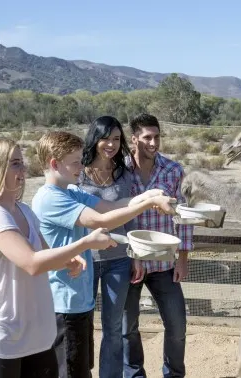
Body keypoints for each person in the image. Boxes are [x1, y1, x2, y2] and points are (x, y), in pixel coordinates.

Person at [0, 137, 116, 378]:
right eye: (14, 164)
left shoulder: (24, 210)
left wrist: (68, 260)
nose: (23, 170)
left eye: (22, 163)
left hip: (37, 339)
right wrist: (85, 243)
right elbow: (32, 263)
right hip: (1, 340)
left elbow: (44, 254)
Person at [31, 130, 176, 378]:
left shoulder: (71, 191)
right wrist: (148, 204)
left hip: (79, 300)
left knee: (81, 369)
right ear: (54, 164)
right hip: (63, 303)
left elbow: (110, 206)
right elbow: (101, 220)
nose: (81, 165)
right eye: (75, 162)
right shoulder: (51, 199)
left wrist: (149, 195)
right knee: (70, 371)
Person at [123, 113, 194, 378]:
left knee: (177, 326)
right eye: (147, 137)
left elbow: (184, 215)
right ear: (134, 139)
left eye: (157, 136)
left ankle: (173, 375)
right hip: (130, 263)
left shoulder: (173, 170)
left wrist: (183, 258)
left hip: (164, 262)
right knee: (127, 328)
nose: (154, 143)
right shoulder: (120, 171)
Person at [79, 115, 142, 378]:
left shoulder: (124, 175)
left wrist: (136, 256)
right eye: (106, 138)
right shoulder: (78, 174)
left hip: (119, 259)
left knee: (113, 327)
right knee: (81, 324)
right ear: (95, 138)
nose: (112, 144)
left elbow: (131, 217)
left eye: (117, 139)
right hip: (85, 260)